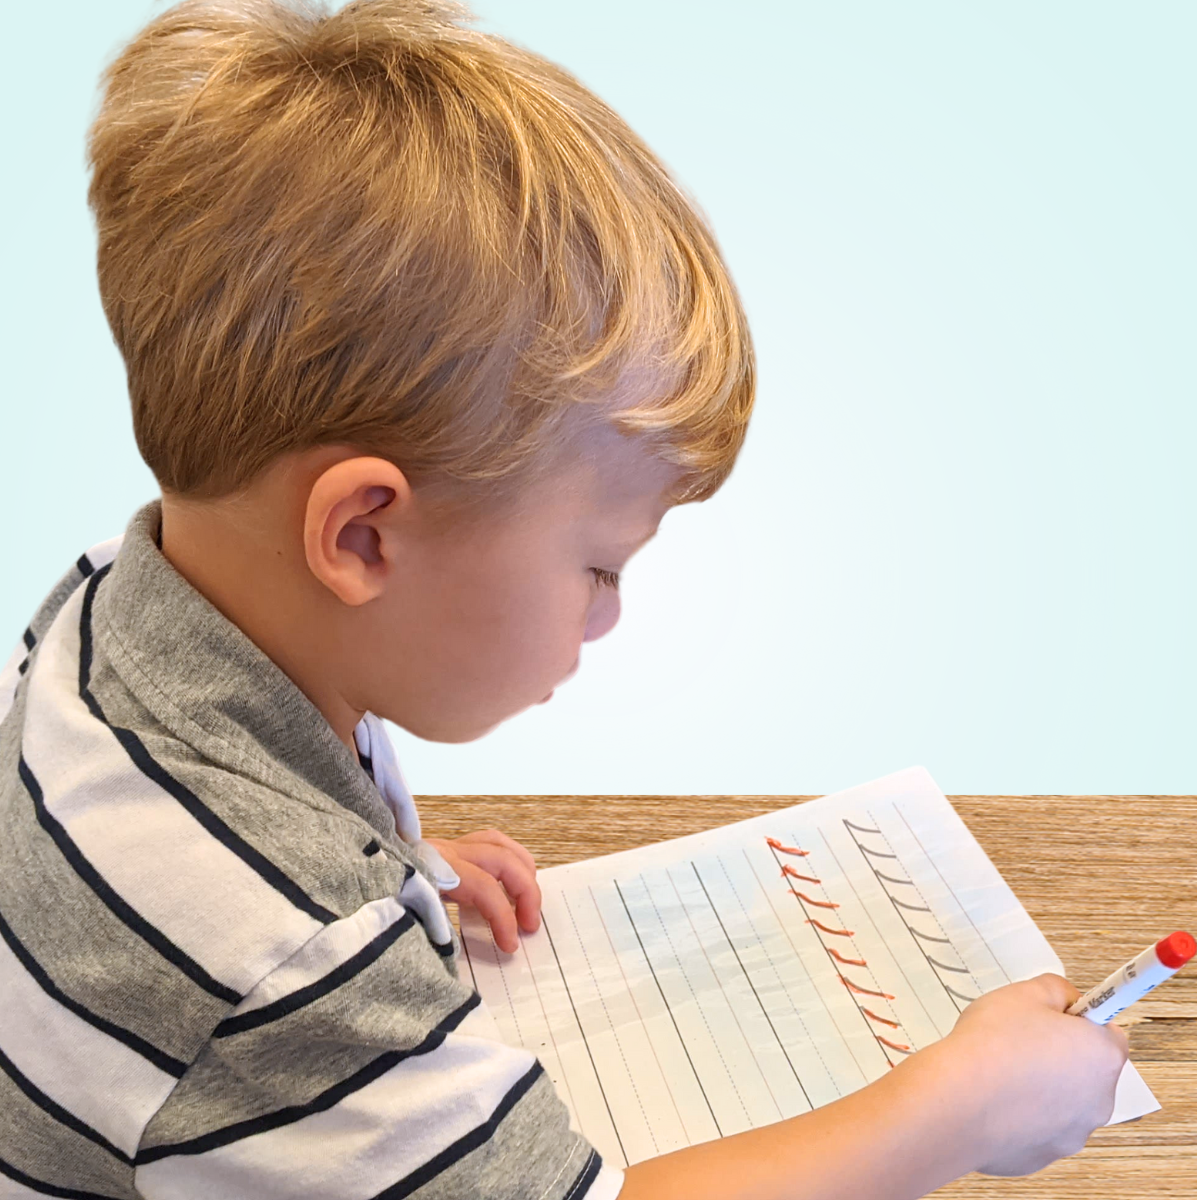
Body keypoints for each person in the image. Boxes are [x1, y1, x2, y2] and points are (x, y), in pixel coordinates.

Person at [0, 1, 1128, 1197]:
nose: (609, 617)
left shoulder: (117, 611)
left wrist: (395, 863)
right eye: (599, 565)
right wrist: (953, 1118)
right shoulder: (280, 955)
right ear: (362, 533)